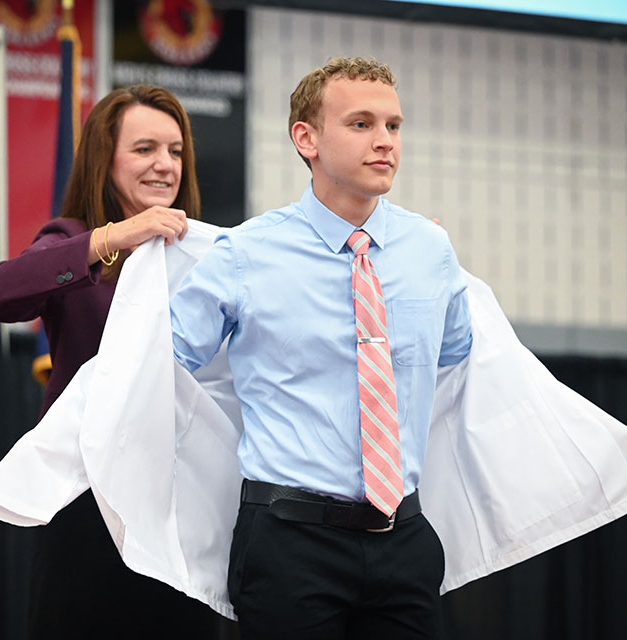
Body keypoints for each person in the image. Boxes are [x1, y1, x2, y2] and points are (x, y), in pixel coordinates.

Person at [169, 57, 472, 638]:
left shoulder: (430, 250)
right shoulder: (244, 255)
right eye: (361, 124)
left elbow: (457, 355)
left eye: (394, 126)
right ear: (305, 138)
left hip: (404, 539)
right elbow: (166, 364)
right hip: (289, 542)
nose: (384, 142)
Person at [0, 85, 223, 638]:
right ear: (103, 159)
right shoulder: (72, 239)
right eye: (144, 149)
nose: (164, 165)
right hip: (91, 506)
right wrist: (114, 238)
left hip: (183, 508)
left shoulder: (206, 256)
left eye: (175, 150)